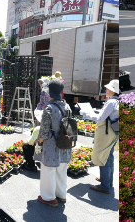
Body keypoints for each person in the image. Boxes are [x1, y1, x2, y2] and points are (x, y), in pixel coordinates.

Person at [36, 79, 72, 207]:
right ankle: (61, 195)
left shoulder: (49, 107)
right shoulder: (67, 106)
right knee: (62, 169)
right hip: (65, 142)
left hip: (51, 143)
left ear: (50, 92)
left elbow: (44, 130)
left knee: (48, 169)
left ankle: (48, 197)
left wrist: (39, 143)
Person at [80, 79, 119, 194]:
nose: (106, 89)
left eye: (108, 88)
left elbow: (101, 118)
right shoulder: (117, 101)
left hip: (106, 133)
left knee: (103, 157)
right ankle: (108, 180)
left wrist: (84, 113)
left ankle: (105, 185)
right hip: (113, 132)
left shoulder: (111, 102)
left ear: (113, 91)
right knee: (109, 156)